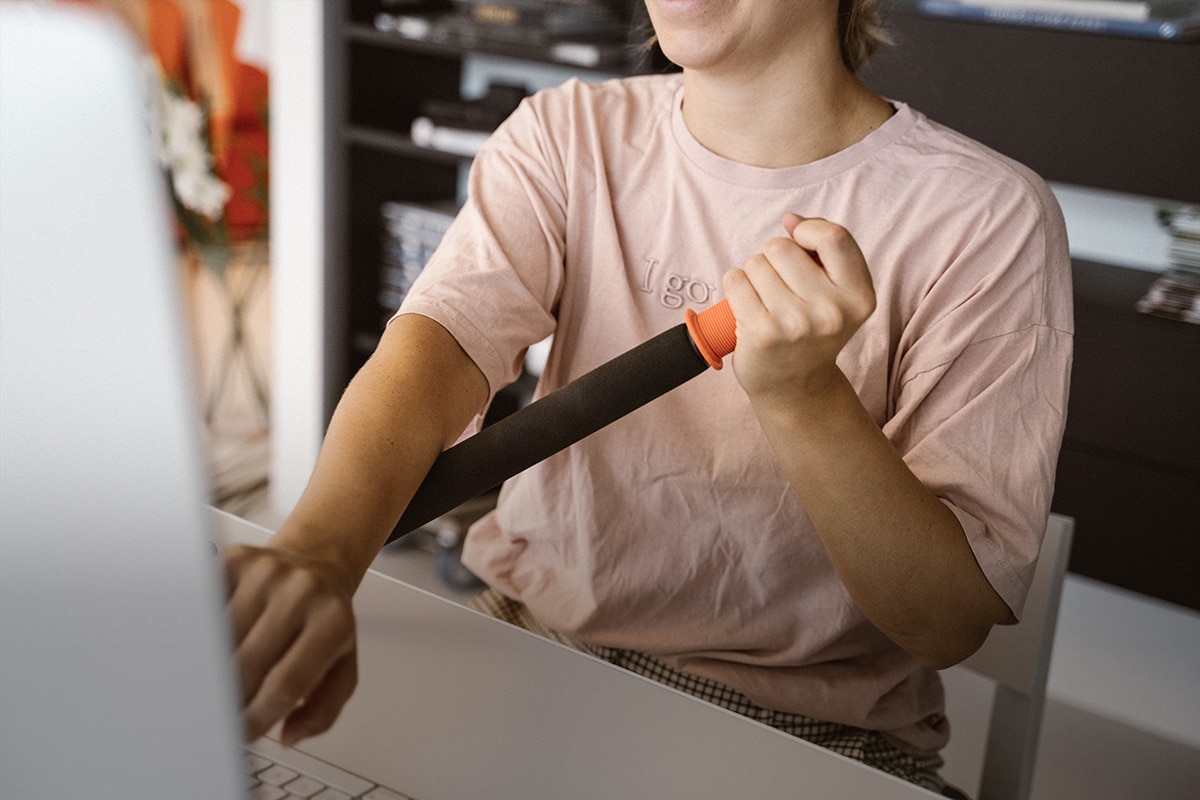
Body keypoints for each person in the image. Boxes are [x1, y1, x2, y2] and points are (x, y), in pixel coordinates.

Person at [223, 0, 1072, 790]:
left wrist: (806, 398)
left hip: (807, 729)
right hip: (530, 641)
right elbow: (440, 345)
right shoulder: (565, 134)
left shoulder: (986, 217)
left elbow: (943, 625)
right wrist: (319, 554)